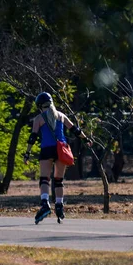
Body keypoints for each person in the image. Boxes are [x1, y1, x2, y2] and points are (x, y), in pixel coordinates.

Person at [24, 92, 91, 224]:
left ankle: (45, 204)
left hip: (47, 149)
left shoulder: (39, 118)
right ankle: (59, 206)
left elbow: (33, 137)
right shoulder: (61, 116)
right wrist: (86, 139)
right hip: (61, 149)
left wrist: (27, 153)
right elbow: (75, 130)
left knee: (44, 179)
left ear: (39, 105)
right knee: (58, 180)